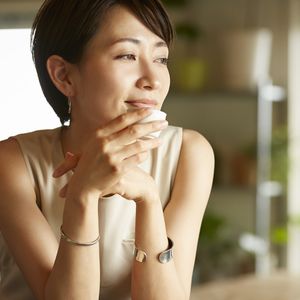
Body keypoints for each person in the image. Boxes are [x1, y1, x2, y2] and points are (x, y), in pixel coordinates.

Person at [0, 0, 214, 299]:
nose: (153, 80)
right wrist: (82, 194)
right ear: (64, 75)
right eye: (127, 55)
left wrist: (149, 199)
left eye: (161, 58)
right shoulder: (12, 162)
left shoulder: (189, 154)